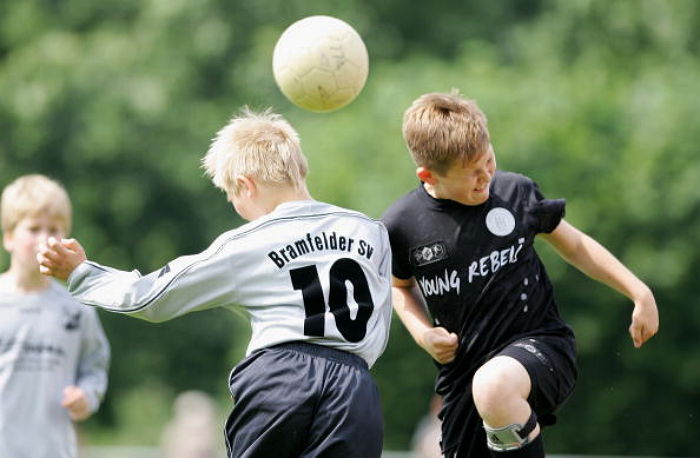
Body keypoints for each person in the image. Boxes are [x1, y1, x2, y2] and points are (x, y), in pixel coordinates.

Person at [38, 108, 393, 458]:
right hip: (355, 388)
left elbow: (150, 298)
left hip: (282, 380)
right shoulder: (370, 231)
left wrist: (80, 273)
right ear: (300, 169)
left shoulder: (249, 242)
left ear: (245, 185)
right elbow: (380, 321)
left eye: (231, 196)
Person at [381, 91, 659, 458]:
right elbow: (399, 287)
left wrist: (639, 292)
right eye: (472, 175)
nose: (486, 179)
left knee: (494, 384)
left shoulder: (515, 192)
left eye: (489, 162)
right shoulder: (402, 224)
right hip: (463, 377)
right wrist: (422, 333)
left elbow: (575, 245)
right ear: (428, 175)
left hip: (542, 345)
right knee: (486, 388)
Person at [0, 174, 110, 458]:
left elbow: (95, 365)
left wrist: (86, 395)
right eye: (34, 228)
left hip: (53, 449)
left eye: (54, 229)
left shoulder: (77, 306)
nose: (44, 239)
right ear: (9, 238)